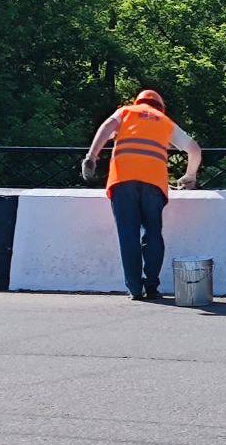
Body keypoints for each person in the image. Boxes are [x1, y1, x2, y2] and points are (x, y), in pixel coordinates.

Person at [82, 90, 202, 301]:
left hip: (123, 180)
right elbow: (194, 149)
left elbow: (105, 128)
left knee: (128, 235)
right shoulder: (165, 122)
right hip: (154, 184)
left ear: (138, 102)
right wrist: (189, 176)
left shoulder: (126, 111)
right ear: (160, 107)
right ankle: (152, 287)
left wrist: (91, 156)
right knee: (153, 232)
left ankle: (135, 289)